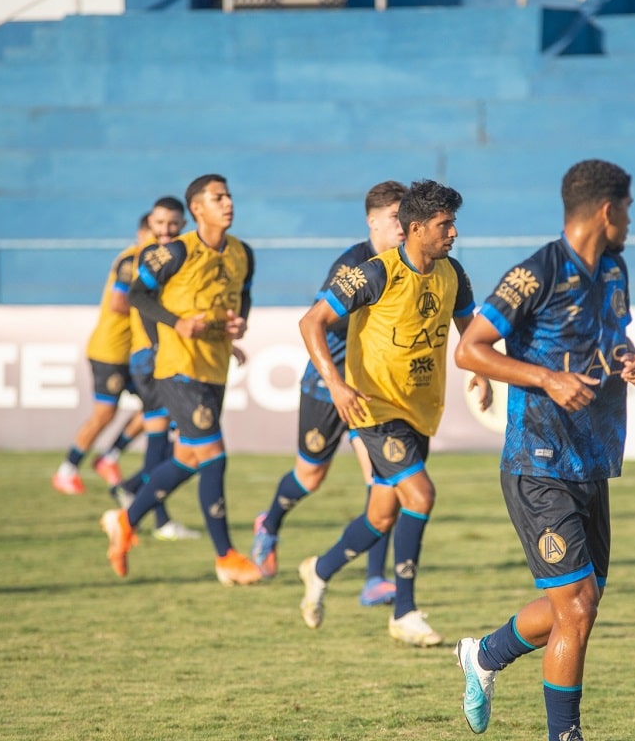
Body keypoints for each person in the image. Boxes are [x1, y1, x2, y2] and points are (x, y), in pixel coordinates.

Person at [451, 159, 635, 741]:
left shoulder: (614, 271)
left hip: (592, 460)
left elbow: (615, 339)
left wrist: (630, 361)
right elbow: (471, 348)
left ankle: (485, 654)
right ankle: (565, 736)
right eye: (629, 210)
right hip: (537, 461)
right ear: (608, 211)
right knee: (579, 607)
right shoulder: (535, 272)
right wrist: (545, 379)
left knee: (577, 603)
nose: (630, 221)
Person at [294, 179, 492, 647]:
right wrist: (337, 385)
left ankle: (319, 571)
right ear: (417, 228)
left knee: (381, 516)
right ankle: (404, 612)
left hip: (419, 407)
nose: (454, 233)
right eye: (446, 225)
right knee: (420, 496)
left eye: (454, 223)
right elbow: (311, 322)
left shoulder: (453, 275)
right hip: (372, 405)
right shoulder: (373, 273)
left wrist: (480, 373)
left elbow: (470, 332)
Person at [250, 180, 408, 607]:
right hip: (327, 385)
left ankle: (374, 579)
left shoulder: (410, 264)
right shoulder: (355, 266)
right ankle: (269, 523)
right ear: (372, 221)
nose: (404, 225)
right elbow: (318, 321)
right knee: (309, 476)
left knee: (384, 481)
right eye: (396, 217)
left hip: (369, 392)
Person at [100, 173, 262, 586]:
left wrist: (238, 327)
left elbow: (242, 296)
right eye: (217, 197)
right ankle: (226, 556)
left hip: (214, 366)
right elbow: (137, 295)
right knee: (214, 455)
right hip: (176, 367)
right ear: (197, 209)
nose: (228, 203)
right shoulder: (173, 252)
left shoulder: (243, 253)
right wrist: (176, 323)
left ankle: (125, 519)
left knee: (188, 459)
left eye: (229, 196)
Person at [109, 195, 202, 542]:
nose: (165, 230)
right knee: (169, 441)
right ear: (149, 226)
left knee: (176, 445)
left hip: (170, 358)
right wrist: (161, 343)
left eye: (172, 224)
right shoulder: (149, 258)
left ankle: (131, 488)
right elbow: (138, 302)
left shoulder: (179, 255)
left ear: (183, 224)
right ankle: (158, 518)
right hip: (153, 360)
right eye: (158, 224)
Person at [52, 214, 149, 495]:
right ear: (142, 233)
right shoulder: (131, 261)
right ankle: (67, 470)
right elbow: (119, 303)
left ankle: (110, 456)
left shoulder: (151, 263)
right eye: (154, 231)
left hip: (132, 352)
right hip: (111, 349)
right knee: (105, 413)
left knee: (156, 409)